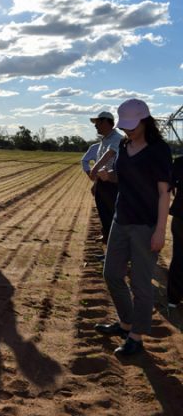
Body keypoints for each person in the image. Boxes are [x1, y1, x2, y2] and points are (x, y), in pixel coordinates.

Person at [94, 99, 172, 356]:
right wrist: (109, 175)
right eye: (125, 126)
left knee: (140, 283)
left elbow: (164, 193)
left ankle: (136, 337)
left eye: (133, 125)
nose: (128, 131)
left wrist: (160, 230)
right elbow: (123, 178)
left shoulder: (158, 150)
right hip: (121, 220)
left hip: (145, 225)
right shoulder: (125, 145)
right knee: (112, 274)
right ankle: (126, 323)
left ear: (145, 120)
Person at [88, 111, 123, 244]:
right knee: (103, 210)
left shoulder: (116, 138)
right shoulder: (104, 140)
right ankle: (107, 235)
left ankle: (114, 240)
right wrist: (96, 183)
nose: (95, 126)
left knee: (111, 211)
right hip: (103, 181)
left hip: (112, 181)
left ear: (106, 122)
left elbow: (110, 153)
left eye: (98, 123)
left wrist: (95, 167)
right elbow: (102, 158)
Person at [167, 155, 183, 309]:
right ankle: (173, 297)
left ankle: (173, 297)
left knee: (179, 256)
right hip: (180, 217)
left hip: (180, 215)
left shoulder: (179, 162)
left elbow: (168, 186)